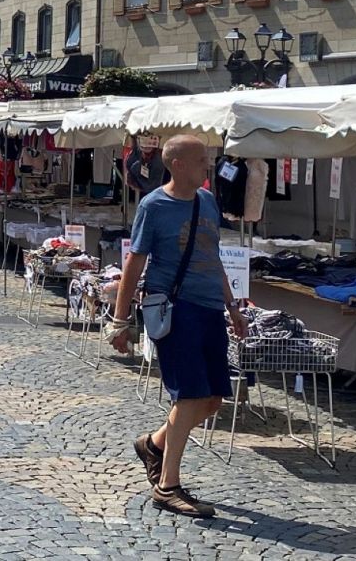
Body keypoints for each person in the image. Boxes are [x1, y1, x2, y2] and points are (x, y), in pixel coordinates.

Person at [107, 136, 247, 519]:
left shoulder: (208, 201)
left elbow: (213, 256)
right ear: (179, 165)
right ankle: (167, 487)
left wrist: (232, 306)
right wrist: (120, 320)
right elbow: (134, 263)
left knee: (213, 399)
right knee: (188, 397)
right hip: (176, 308)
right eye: (202, 160)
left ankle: (152, 445)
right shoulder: (154, 206)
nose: (208, 165)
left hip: (210, 309)